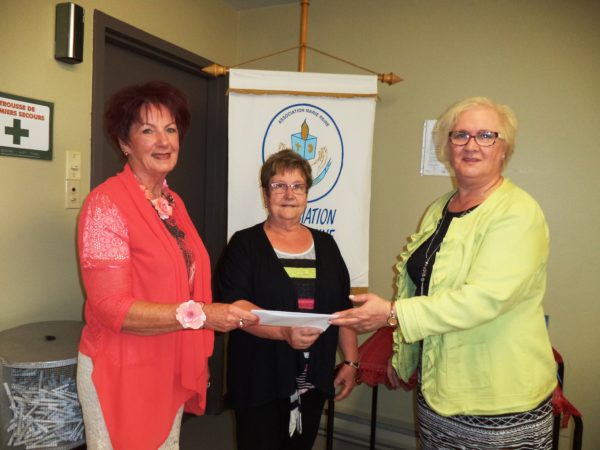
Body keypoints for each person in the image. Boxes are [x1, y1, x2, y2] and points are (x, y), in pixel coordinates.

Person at [331, 97, 557, 449]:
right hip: (438, 392)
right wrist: (405, 355)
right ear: (448, 147)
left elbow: (483, 300)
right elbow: (420, 286)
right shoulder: (440, 208)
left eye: (486, 135)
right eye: (460, 135)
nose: (471, 145)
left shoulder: (518, 212)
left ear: (504, 149)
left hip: (498, 403)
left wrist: (391, 313)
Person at [76, 81, 258, 450]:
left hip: (166, 362)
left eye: (171, 129)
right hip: (122, 368)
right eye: (148, 130)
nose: (164, 141)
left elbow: (185, 281)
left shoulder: (172, 203)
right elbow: (111, 308)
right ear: (124, 143)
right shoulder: (105, 204)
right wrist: (203, 315)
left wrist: (219, 313)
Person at [215, 149, 359, 450]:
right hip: (259, 379)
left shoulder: (327, 245)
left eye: (297, 186)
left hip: (312, 381)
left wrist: (350, 359)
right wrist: (283, 332)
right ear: (265, 193)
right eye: (279, 185)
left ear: (307, 194)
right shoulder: (244, 244)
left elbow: (343, 308)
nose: (289, 194)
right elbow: (235, 307)